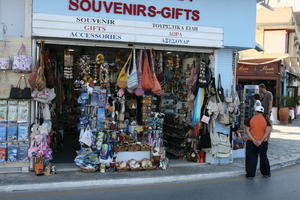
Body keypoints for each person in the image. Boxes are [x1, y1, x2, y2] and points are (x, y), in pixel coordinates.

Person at [245, 106, 272, 179]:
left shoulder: (250, 119)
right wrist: (260, 141)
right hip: (263, 143)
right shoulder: (267, 120)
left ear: (255, 111)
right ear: (262, 112)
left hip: (251, 142)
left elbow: (247, 131)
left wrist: (253, 140)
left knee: (251, 158)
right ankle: (266, 173)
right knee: (263, 158)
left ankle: (250, 175)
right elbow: (267, 132)